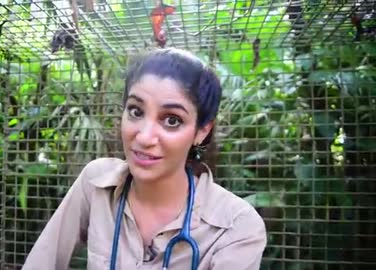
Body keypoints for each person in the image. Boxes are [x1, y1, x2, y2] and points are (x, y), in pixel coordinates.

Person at [22, 48, 267, 270]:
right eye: (136, 111)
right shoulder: (96, 182)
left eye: (172, 120)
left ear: (202, 131)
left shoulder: (236, 226)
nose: (144, 136)